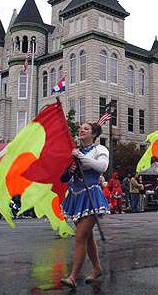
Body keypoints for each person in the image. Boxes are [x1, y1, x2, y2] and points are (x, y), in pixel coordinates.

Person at [60, 122, 109, 289]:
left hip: (91, 196)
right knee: (87, 237)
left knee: (80, 236)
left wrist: (80, 158)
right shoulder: (75, 152)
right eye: (80, 128)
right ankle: (96, 268)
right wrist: (70, 169)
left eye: (86, 128)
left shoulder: (100, 149)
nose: (82, 130)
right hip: (75, 196)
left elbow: (102, 166)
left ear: (93, 134)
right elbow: (64, 178)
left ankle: (73, 277)